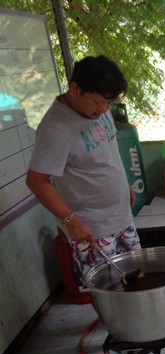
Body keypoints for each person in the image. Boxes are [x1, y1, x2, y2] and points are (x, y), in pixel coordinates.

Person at [26, 55, 141, 286]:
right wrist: (71, 221)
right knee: (110, 294)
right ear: (75, 89)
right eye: (99, 102)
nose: (104, 109)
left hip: (121, 216)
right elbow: (37, 181)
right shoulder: (55, 130)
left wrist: (122, 184)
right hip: (93, 230)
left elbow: (103, 151)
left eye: (109, 103)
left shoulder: (99, 108)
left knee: (137, 279)